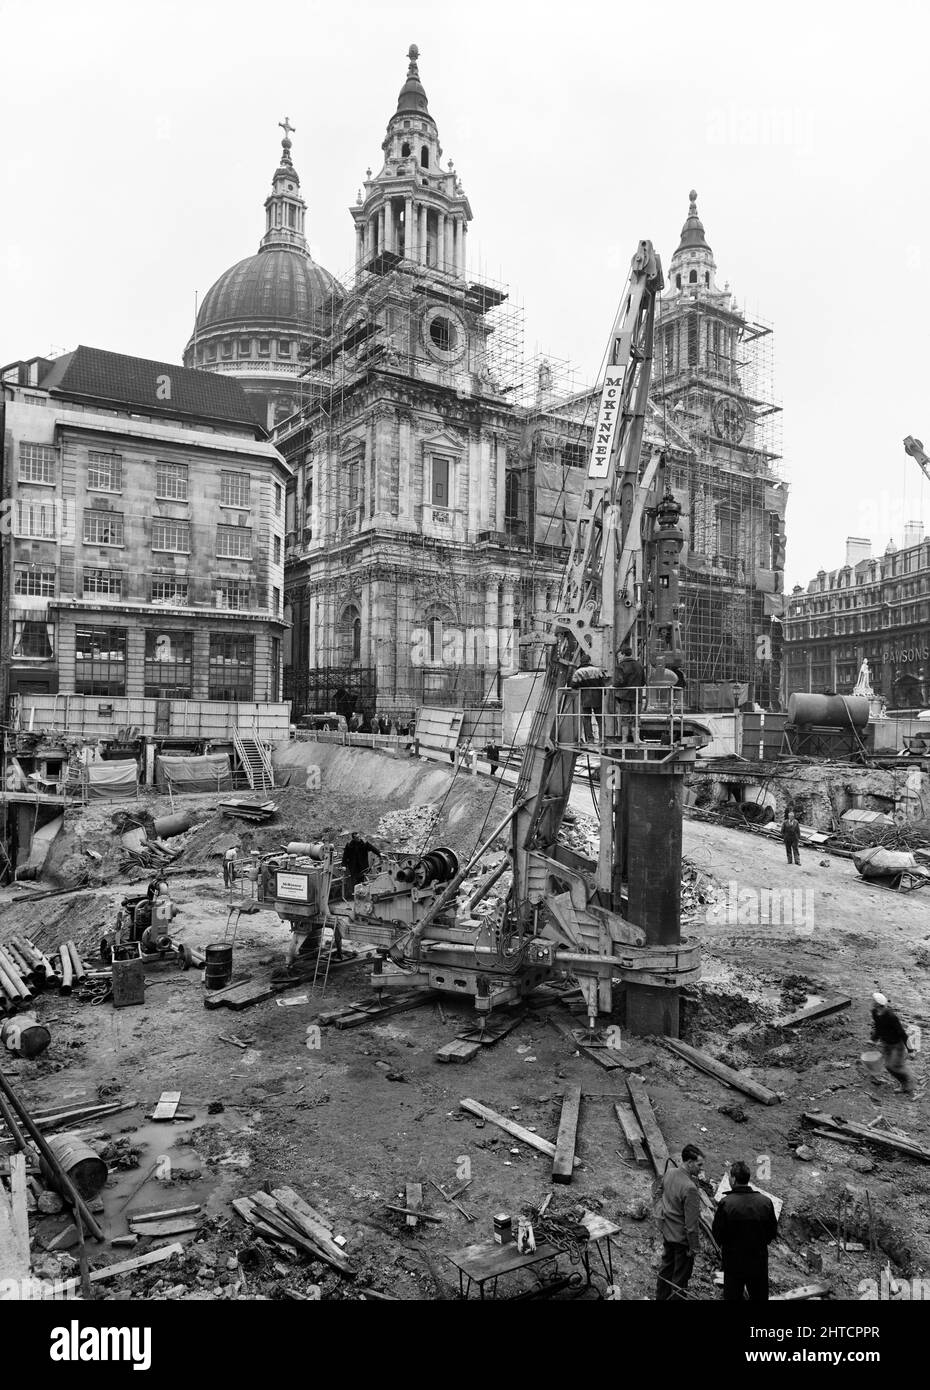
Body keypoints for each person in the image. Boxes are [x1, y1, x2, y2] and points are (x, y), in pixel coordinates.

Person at [711, 1160, 778, 1302]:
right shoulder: (765, 1202)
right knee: (759, 1296)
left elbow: (717, 1233)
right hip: (758, 1260)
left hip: (733, 1262)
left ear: (734, 1179)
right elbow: (772, 1232)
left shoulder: (726, 1203)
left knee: (733, 1296)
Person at [655, 1143, 704, 1301]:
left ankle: (660, 1297)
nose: (701, 1169)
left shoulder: (669, 1173)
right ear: (689, 1163)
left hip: (667, 1233)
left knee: (666, 1270)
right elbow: (691, 1225)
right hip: (682, 1241)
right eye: (699, 1165)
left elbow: (659, 1193)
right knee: (680, 1281)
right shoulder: (690, 1188)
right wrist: (694, 1247)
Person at [870, 992, 916, 1095]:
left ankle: (909, 1081)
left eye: (873, 1001)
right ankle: (905, 1083)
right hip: (886, 1043)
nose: (872, 1002)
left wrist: (911, 1050)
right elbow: (878, 1027)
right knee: (888, 1066)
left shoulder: (891, 1016)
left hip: (896, 1045)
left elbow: (903, 1034)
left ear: (878, 1004)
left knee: (893, 1066)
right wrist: (874, 1039)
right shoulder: (875, 1012)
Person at [615, 643, 646, 741]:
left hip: (624, 696)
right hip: (637, 695)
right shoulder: (639, 665)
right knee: (636, 716)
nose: (619, 657)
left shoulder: (621, 666)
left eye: (619, 655)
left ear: (623, 654)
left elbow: (619, 681)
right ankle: (636, 739)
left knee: (625, 717)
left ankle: (624, 739)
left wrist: (614, 685)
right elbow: (643, 681)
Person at [571, 665, 608, 742]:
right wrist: (603, 692)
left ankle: (590, 739)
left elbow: (573, 685)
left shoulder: (579, 672)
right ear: (589, 661)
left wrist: (580, 685)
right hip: (597, 696)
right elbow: (602, 683)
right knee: (600, 718)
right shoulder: (597, 670)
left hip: (585, 697)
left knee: (587, 719)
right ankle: (602, 738)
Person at [341, 832, 382, 897]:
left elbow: (372, 848)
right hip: (353, 866)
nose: (359, 838)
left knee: (362, 880)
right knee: (354, 881)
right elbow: (345, 856)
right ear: (354, 838)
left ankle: (362, 894)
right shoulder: (349, 845)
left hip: (363, 866)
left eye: (359, 836)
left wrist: (380, 854)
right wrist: (343, 865)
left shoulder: (364, 844)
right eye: (357, 837)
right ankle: (355, 895)